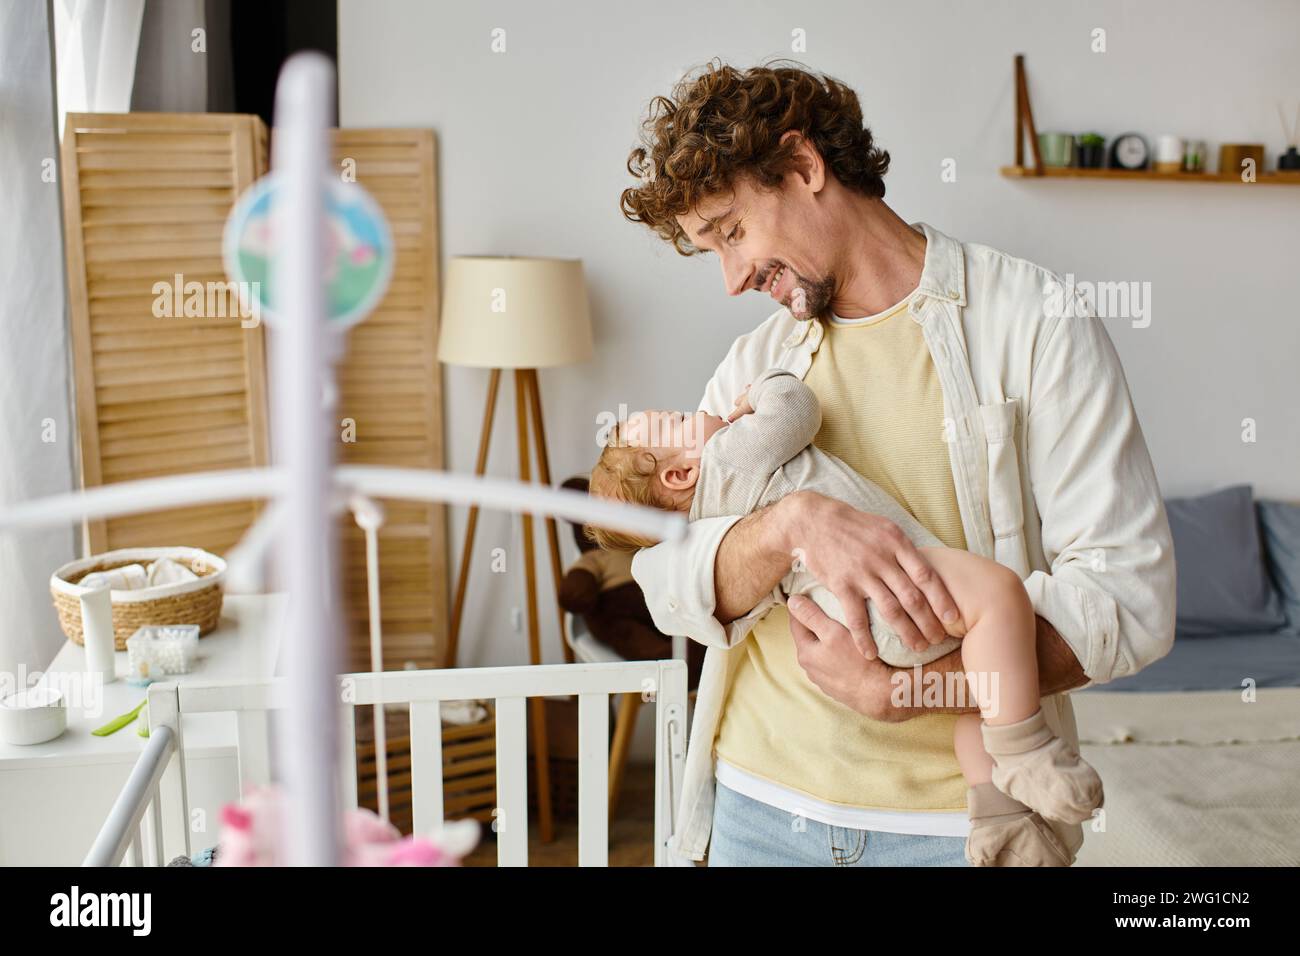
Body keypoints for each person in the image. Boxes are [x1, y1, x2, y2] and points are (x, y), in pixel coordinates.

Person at [617, 60, 1176, 867]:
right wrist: (789, 527)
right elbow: (668, 584)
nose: (733, 278)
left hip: (960, 828)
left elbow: (1128, 602)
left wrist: (907, 689)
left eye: (733, 232)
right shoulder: (757, 363)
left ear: (805, 166)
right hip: (758, 809)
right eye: (711, 249)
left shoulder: (1034, 323)